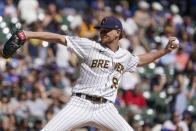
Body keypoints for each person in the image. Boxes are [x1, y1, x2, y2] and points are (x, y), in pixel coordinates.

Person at [4, 16, 179, 131]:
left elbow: (140, 60)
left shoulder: (125, 56)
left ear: (118, 32)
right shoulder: (90, 46)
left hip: (106, 108)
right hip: (79, 103)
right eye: (101, 29)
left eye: (106, 29)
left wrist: (164, 51)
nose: (101, 32)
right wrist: (27, 34)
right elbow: (58, 38)